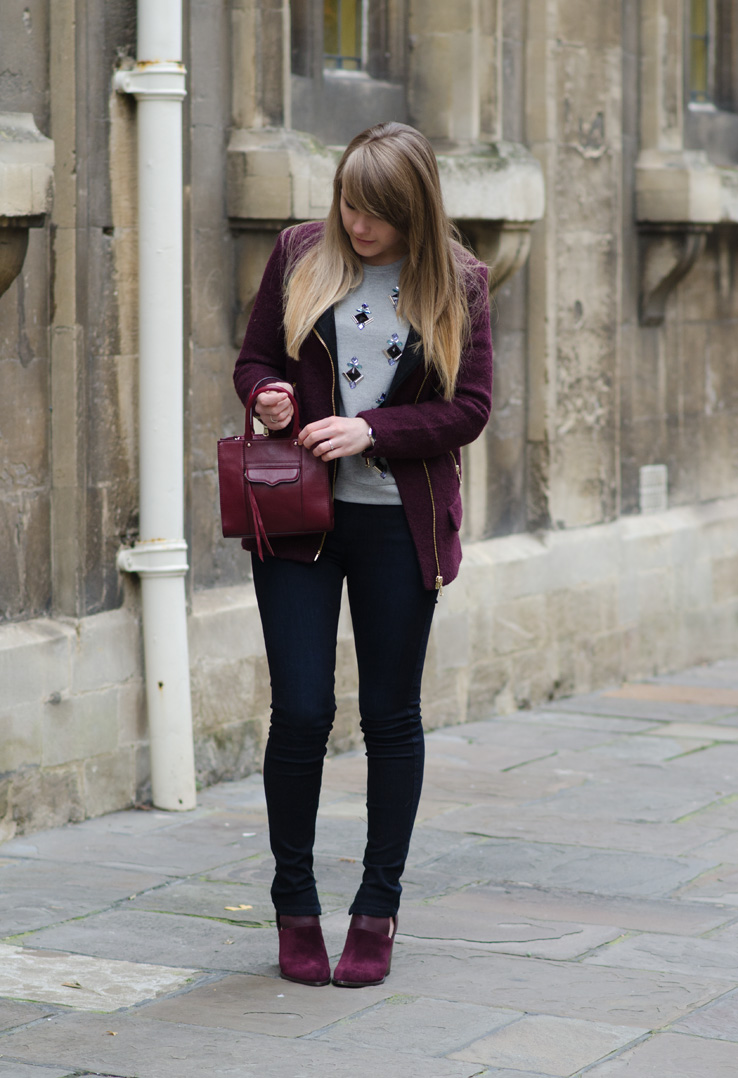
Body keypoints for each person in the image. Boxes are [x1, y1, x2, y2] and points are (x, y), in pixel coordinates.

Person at [233, 121, 493, 988]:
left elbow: (471, 410)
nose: (358, 225)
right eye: (349, 203)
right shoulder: (301, 253)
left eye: (377, 212)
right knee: (301, 711)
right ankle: (294, 903)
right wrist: (269, 398)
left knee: (390, 715)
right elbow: (256, 360)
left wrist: (373, 428)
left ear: (414, 211)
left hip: (397, 524)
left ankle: (377, 908)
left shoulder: (459, 283)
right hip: (298, 515)